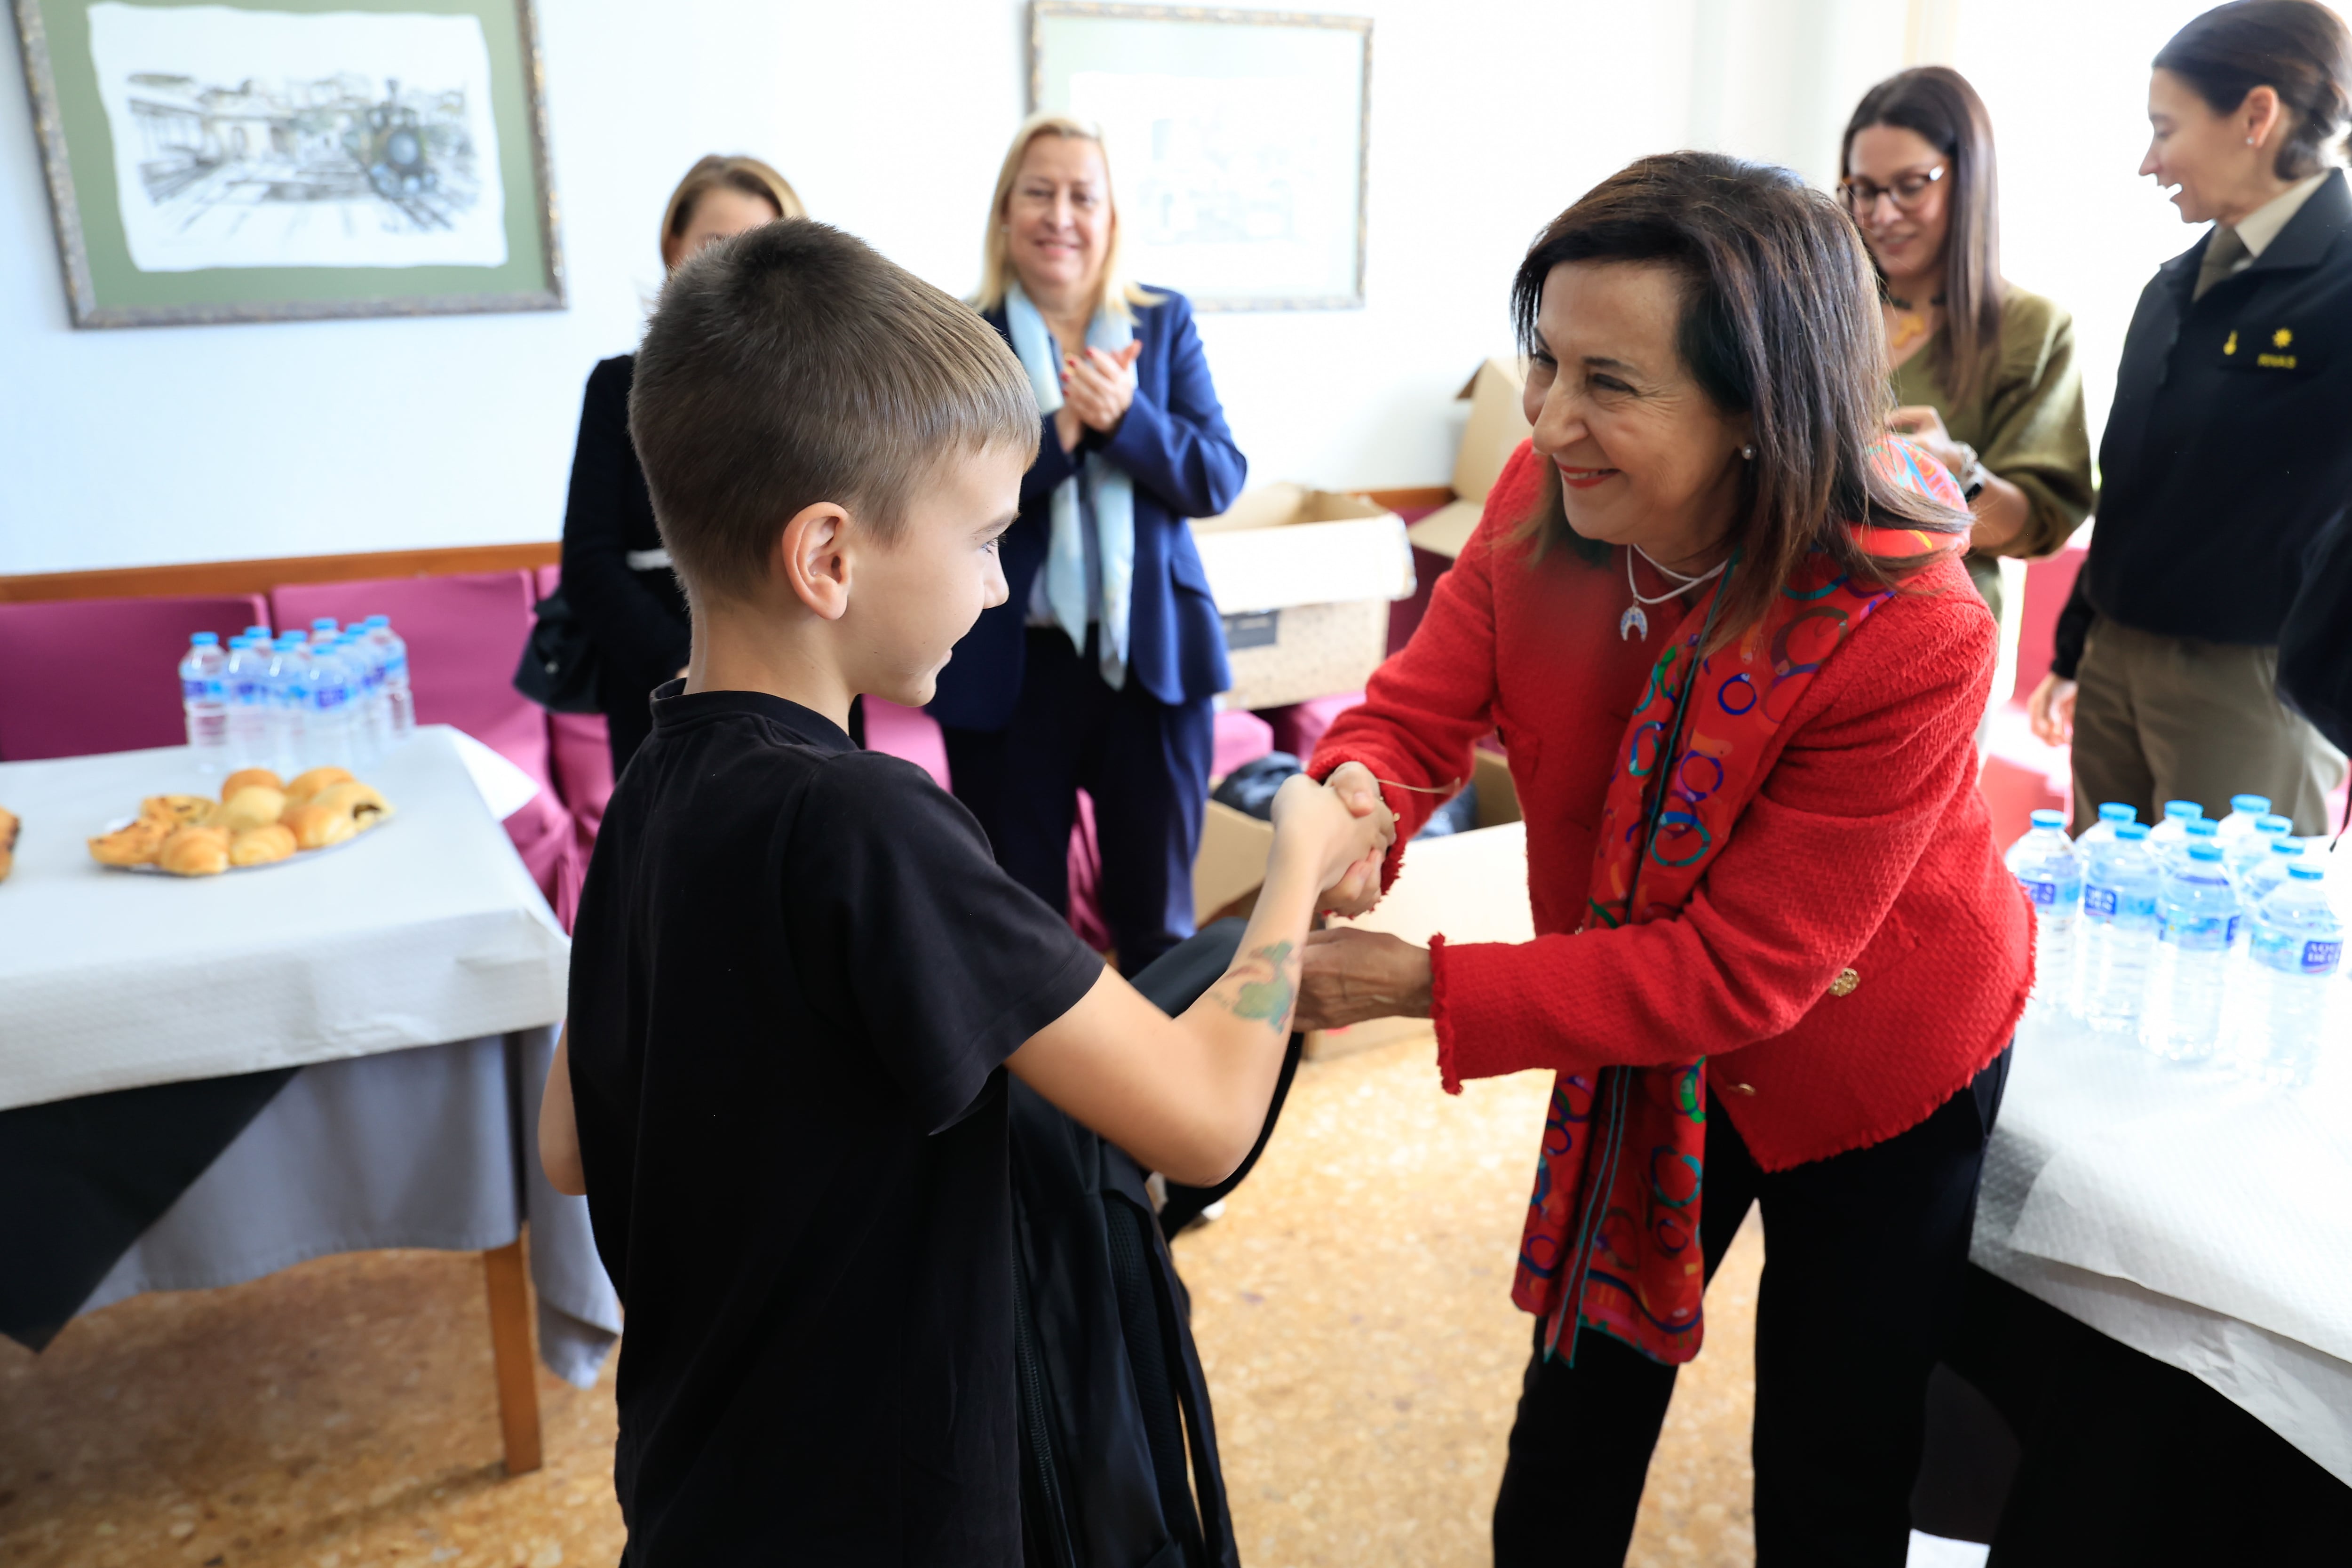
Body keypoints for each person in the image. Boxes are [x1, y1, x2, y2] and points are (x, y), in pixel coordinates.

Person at [534, 220, 1388, 1565]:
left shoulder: (655, 785)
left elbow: (571, 1148)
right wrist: (1294, 862)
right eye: (986, 537)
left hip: (697, 1498)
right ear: (828, 557)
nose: (997, 585)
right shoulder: (869, 824)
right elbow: (1205, 1120)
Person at [1292, 153, 2030, 1566]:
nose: (1548, 418)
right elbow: (1418, 711)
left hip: (1865, 1050)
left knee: (1833, 1441)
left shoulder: (1905, 623)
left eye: (1609, 384)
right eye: (1545, 362)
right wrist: (1359, 794)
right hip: (1631, 1021)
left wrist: (1413, 989)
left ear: (1762, 409)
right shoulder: (1542, 496)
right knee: (1578, 1397)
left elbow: (1740, 968)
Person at [930, 113, 1247, 976]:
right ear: (1006, 211)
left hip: (1150, 665)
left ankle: (1154, 1069)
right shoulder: (963, 336)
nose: (1060, 215)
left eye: (1083, 196)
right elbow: (946, 498)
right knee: (1018, 934)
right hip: (1010, 667)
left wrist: (1129, 420)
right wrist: (1067, 429)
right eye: (1039, 192)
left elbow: (1217, 477)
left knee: (1158, 929)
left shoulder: (1162, 322)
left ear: (1111, 218)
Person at [2027, 0, 2352, 834]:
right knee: (2101, 899)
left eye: (2165, 130)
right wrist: (2076, 649)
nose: (2149, 163)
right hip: (2116, 659)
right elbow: (2132, 486)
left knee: (2229, 915)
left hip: (2254, 681)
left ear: (2256, 116)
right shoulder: (2172, 286)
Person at [559, 154, 804, 776]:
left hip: (801, 676)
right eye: (715, 246)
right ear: (673, 248)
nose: (736, 270)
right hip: (660, 688)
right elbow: (588, 563)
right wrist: (690, 667)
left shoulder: (814, 395)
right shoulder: (618, 387)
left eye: (760, 251)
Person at [1841, 66, 2094, 628]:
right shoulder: (1817, 307)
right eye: (1863, 189)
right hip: (1794, 624)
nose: (1881, 214)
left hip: (1931, 632)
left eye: (1910, 186)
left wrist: (1959, 475)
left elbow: (2044, 523)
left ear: (1969, 180)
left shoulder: (2030, 328)